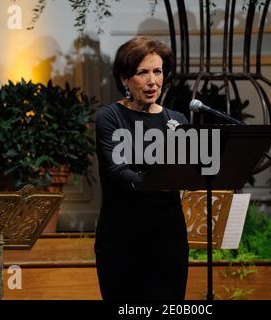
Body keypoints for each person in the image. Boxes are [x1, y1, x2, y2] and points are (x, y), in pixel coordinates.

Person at [94, 37, 190, 300]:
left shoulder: (177, 120)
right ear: (125, 79)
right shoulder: (109, 117)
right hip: (122, 238)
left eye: (157, 72)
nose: (152, 81)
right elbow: (116, 170)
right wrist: (154, 180)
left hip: (168, 239)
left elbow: (186, 172)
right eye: (142, 72)